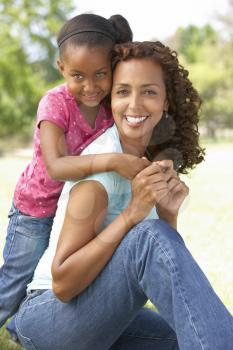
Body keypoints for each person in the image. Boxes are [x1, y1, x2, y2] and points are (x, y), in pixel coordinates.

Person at [15, 41, 232, 350]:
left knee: (193, 330)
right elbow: (63, 284)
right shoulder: (101, 170)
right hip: (47, 319)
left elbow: (161, 272)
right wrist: (133, 213)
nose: (135, 104)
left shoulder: (149, 161)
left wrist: (167, 213)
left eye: (149, 92)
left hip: (101, 314)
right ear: (111, 100)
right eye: (123, 91)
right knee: (147, 236)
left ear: (166, 101)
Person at [0, 13, 151, 342]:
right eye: (78, 76)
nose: (91, 86)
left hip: (74, 211)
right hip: (37, 209)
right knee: (15, 281)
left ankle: (21, 329)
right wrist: (113, 161)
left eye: (101, 74)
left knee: (54, 281)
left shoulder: (110, 104)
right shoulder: (56, 104)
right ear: (60, 68)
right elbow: (56, 166)